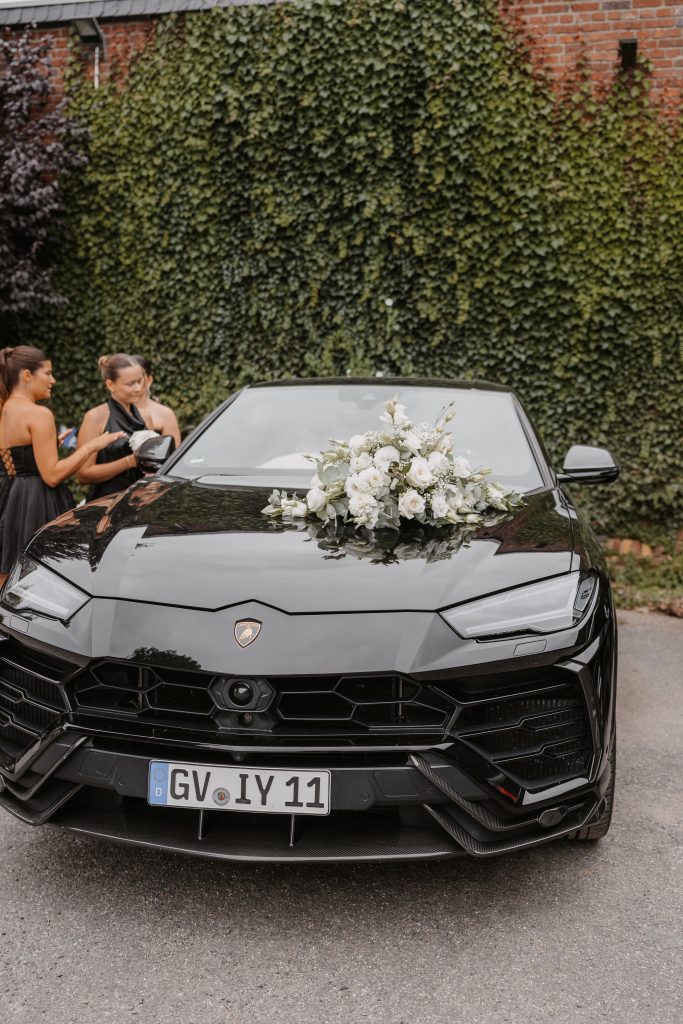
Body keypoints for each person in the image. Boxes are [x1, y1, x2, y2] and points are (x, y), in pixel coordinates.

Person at [0, 346, 123, 578]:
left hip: (11, 499)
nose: (53, 380)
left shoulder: (5, 409)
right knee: (50, 577)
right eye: (47, 373)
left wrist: (48, 446)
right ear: (27, 375)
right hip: (38, 502)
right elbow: (52, 475)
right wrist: (91, 446)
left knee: (12, 576)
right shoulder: (38, 414)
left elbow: (18, 460)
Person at [76, 353, 152, 501]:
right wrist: (129, 461)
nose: (138, 388)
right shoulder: (95, 417)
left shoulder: (146, 416)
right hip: (107, 502)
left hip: (141, 500)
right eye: (130, 384)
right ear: (110, 384)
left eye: (139, 381)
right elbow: (83, 474)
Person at [132, 354, 181, 447]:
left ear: (149, 380)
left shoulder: (165, 414)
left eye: (138, 379)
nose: (134, 385)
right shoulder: (106, 412)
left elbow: (174, 454)